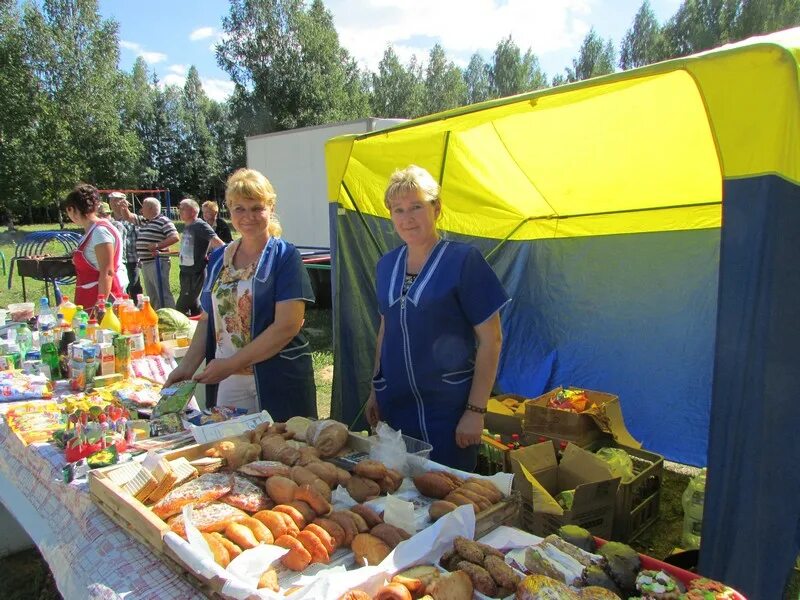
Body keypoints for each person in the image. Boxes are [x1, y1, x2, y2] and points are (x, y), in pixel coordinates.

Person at [365, 165, 509, 471]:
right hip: (395, 407)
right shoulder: (386, 265)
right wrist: (375, 389)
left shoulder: (463, 260)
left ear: (436, 208)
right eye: (398, 210)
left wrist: (475, 410)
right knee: (399, 493)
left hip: (448, 412)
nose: (407, 218)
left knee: (448, 495)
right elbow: (385, 329)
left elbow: (491, 340)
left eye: (417, 206)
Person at [164, 168, 318, 420]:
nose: (248, 216)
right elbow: (207, 319)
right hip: (229, 381)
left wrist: (230, 365)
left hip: (278, 379)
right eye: (239, 209)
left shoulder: (285, 257)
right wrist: (187, 367)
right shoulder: (218, 259)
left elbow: (287, 326)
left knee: (282, 449)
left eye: (256, 208)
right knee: (230, 450)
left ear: (271, 207)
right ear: (229, 210)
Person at [63, 184, 128, 311]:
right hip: (89, 296)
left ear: (72, 209)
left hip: (103, 300)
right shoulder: (91, 231)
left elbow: (107, 272)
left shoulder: (100, 232)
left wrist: (101, 306)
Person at [118, 197, 179, 309]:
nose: (141, 210)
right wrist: (124, 207)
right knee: (152, 293)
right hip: (146, 263)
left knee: (162, 292)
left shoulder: (163, 220)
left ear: (151, 208)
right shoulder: (145, 221)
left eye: (143, 207)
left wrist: (157, 245)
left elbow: (175, 237)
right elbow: (128, 217)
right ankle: (156, 314)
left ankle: (170, 313)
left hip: (157, 261)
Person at [177, 198, 225, 316]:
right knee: (194, 306)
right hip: (185, 271)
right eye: (180, 208)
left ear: (193, 211)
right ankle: (201, 328)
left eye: (183, 208)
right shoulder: (189, 226)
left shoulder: (200, 225)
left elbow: (220, 244)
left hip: (195, 272)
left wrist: (216, 261)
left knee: (181, 306)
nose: (179, 211)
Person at [108, 192, 143, 299]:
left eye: (116, 200)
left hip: (132, 259)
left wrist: (141, 258)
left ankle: (138, 309)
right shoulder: (109, 221)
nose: (113, 203)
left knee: (134, 286)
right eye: (111, 200)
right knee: (120, 286)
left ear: (124, 202)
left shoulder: (132, 219)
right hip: (116, 261)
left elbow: (140, 239)